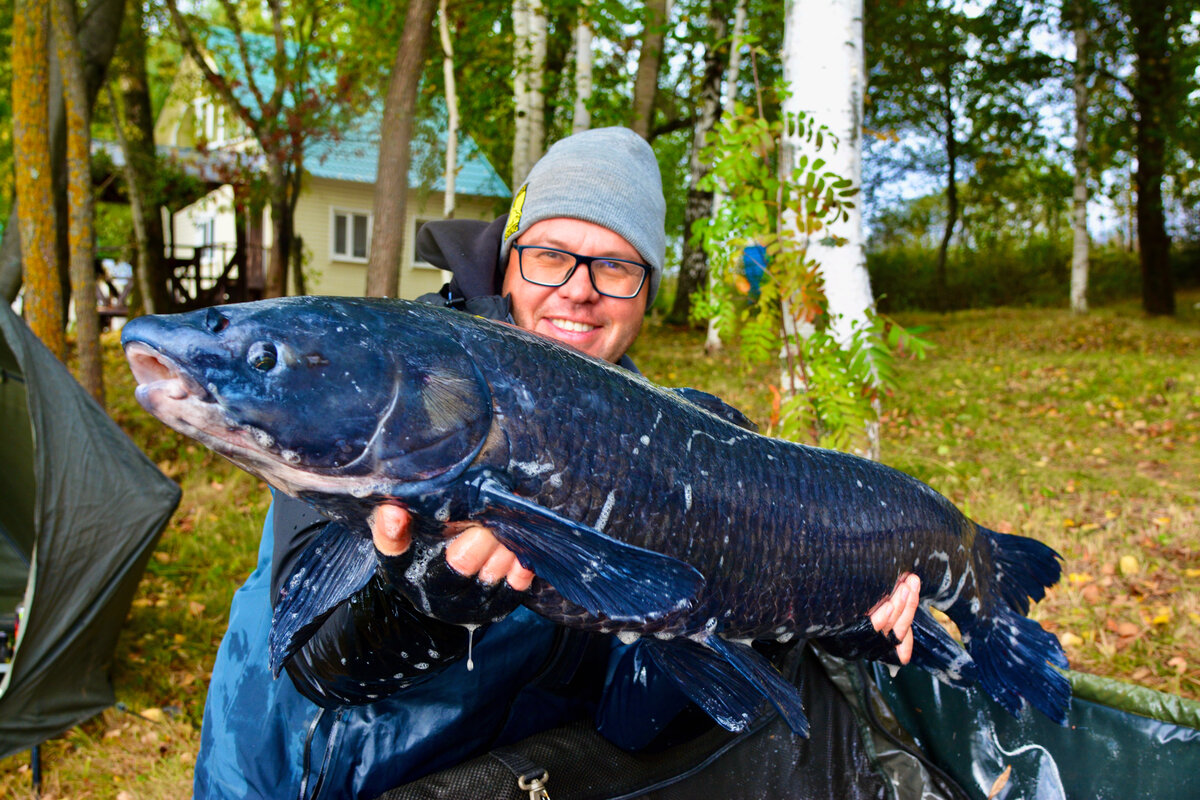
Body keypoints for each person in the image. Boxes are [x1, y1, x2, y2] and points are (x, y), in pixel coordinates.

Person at [193, 127, 920, 799]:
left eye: (615, 266)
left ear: (646, 291)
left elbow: (628, 723)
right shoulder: (393, 383)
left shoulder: (658, 444)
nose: (578, 288)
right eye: (550, 256)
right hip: (302, 779)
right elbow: (320, 667)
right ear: (509, 258)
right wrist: (425, 605)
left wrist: (773, 608)